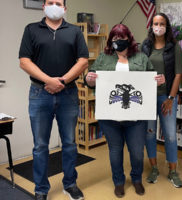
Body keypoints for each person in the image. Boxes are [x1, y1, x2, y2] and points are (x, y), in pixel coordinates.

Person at [19, 0, 88, 200]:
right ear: (44, 6)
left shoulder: (74, 31)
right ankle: (41, 189)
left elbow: (83, 60)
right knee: (40, 145)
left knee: (69, 143)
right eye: (50, 2)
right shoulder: (31, 30)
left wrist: (63, 81)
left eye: (58, 3)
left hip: (68, 94)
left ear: (65, 8)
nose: (54, 5)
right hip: (40, 94)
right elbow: (24, 61)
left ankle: (70, 184)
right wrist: (49, 80)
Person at [85, 24, 161, 198]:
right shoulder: (104, 58)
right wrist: (89, 79)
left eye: (122, 38)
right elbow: (90, 79)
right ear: (111, 40)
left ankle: (136, 179)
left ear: (129, 38)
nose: (119, 41)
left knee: (136, 151)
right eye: (115, 38)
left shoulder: (141, 58)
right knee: (115, 151)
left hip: (136, 117)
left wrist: (158, 80)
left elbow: (151, 79)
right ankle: (118, 182)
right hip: (110, 117)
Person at [141, 13, 182, 188]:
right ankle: (154, 169)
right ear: (151, 26)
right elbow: (139, 68)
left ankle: (173, 171)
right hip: (147, 98)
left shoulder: (174, 47)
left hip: (166, 97)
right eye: (156, 23)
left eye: (162, 23)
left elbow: (178, 74)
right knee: (149, 133)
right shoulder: (145, 46)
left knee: (171, 135)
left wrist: (171, 98)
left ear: (167, 26)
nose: (158, 26)